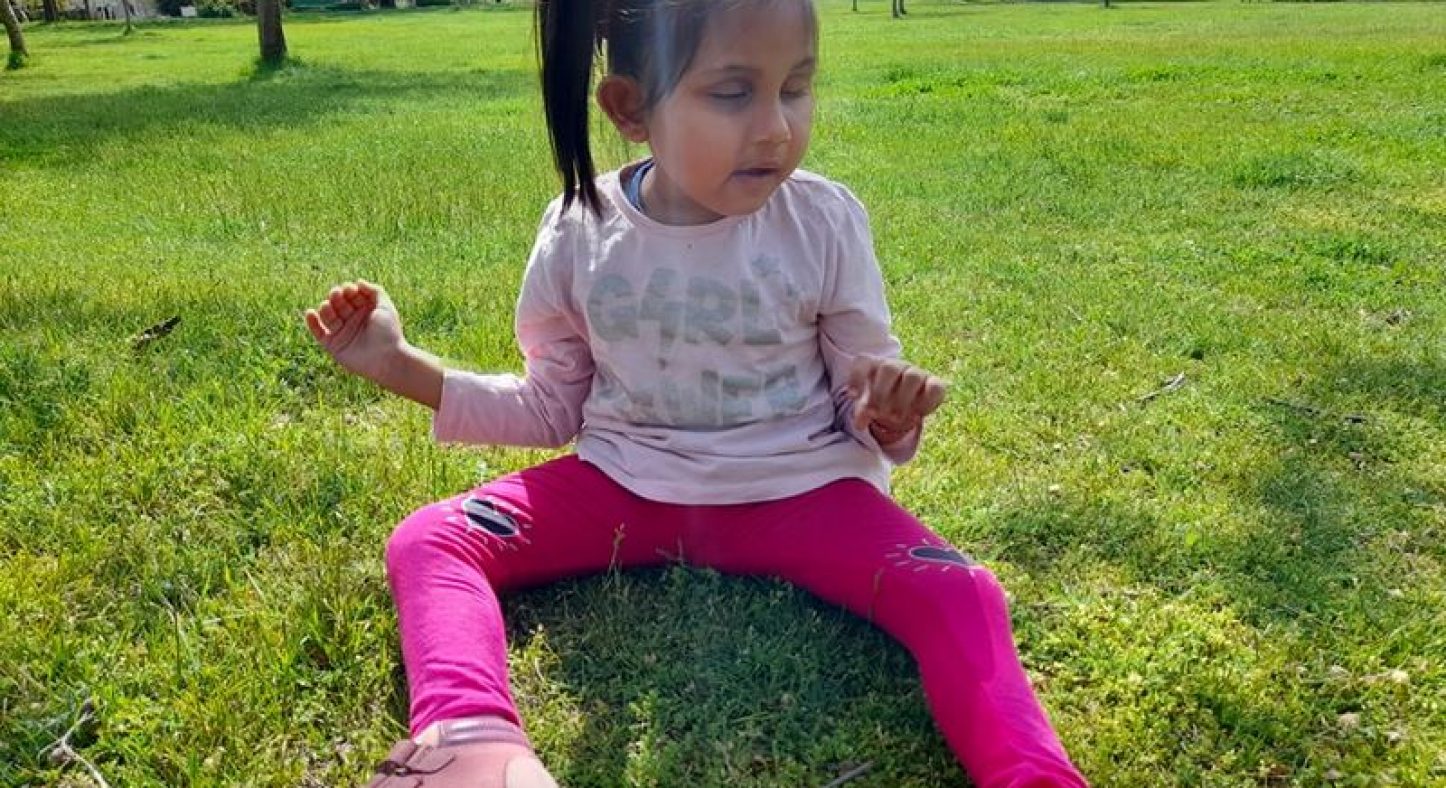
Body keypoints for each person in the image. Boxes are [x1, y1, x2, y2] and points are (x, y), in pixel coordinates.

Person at [306, 0, 1087, 785]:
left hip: (806, 495)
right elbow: (550, 408)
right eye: (732, 93)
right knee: (433, 540)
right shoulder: (579, 230)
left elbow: (862, 389)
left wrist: (885, 415)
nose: (776, 128)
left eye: (796, 87)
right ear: (631, 108)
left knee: (961, 592)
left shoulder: (823, 221)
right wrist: (398, 364)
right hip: (625, 488)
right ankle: (469, 746)